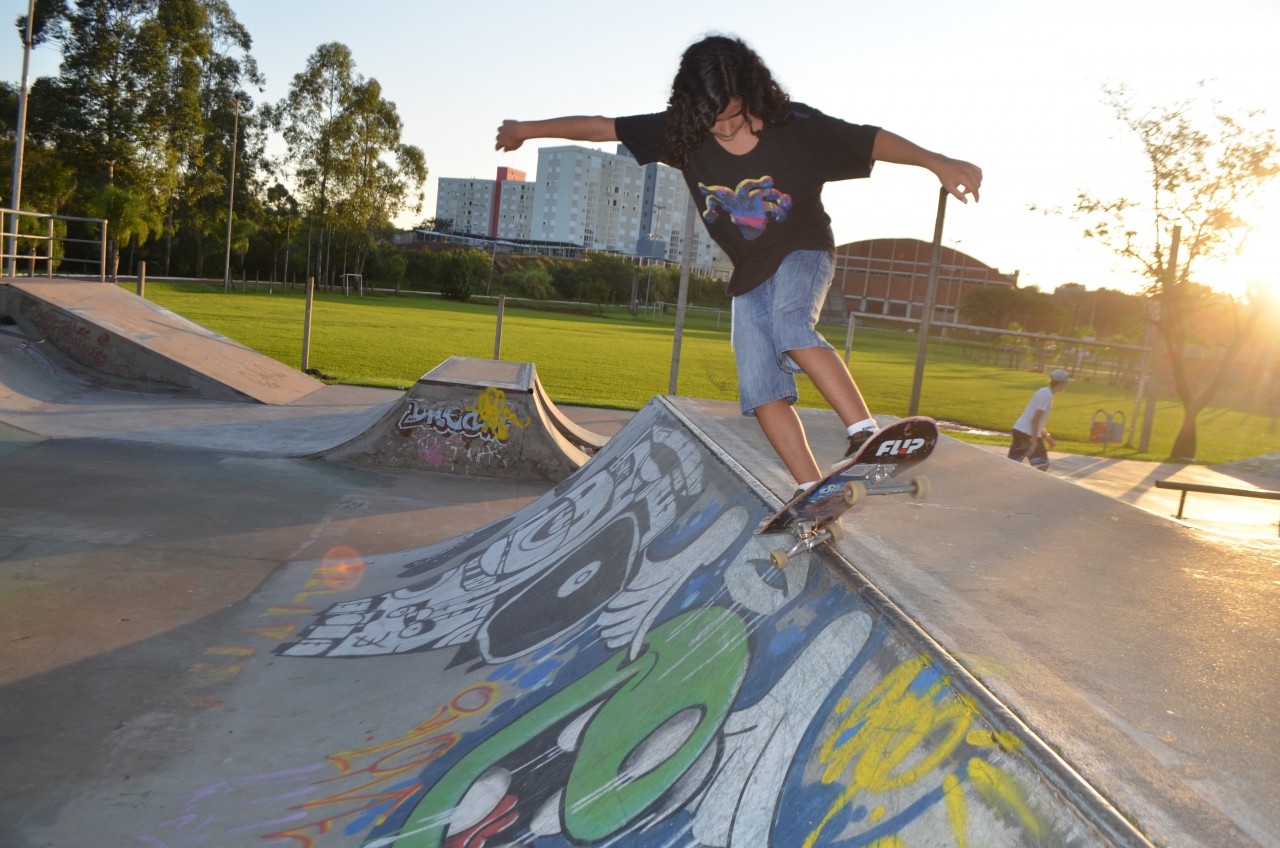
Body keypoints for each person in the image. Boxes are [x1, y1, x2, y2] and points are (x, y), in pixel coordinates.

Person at [495, 34, 982, 494]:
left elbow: (870, 140)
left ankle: (863, 433)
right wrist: (525, 131)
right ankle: (810, 492)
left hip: (804, 250)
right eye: (715, 122)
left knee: (792, 325)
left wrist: (936, 161)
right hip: (750, 274)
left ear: (751, 95)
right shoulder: (681, 131)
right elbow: (602, 127)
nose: (725, 130)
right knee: (760, 386)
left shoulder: (796, 127)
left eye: (734, 116)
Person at [1008, 369, 1069, 471]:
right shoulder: (1047, 396)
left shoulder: (1043, 391)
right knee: (1043, 464)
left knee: (1012, 464)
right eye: (1066, 382)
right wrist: (1034, 442)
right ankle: (1032, 485)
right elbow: (1035, 420)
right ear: (1060, 382)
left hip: (1019, 429)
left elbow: (1037, 420)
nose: (1066, 384)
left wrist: (1046, 436)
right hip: (1027, 433)